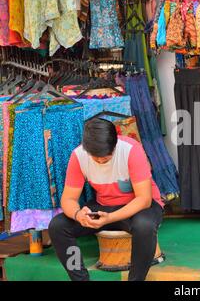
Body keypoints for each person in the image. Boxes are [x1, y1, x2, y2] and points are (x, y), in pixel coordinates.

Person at [49, 118, 164, 281]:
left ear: (115, 144)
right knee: (58, 226)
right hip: (104, 207)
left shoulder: (131, 150)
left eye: (106, 157)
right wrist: (77, 214)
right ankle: (80, 278)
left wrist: (109, 218)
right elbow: (68, 199)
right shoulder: (78, 156)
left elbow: (144, 199)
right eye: (96, 158)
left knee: (144, 226)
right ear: (87, 149)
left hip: (139, 207)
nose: (101, 161)